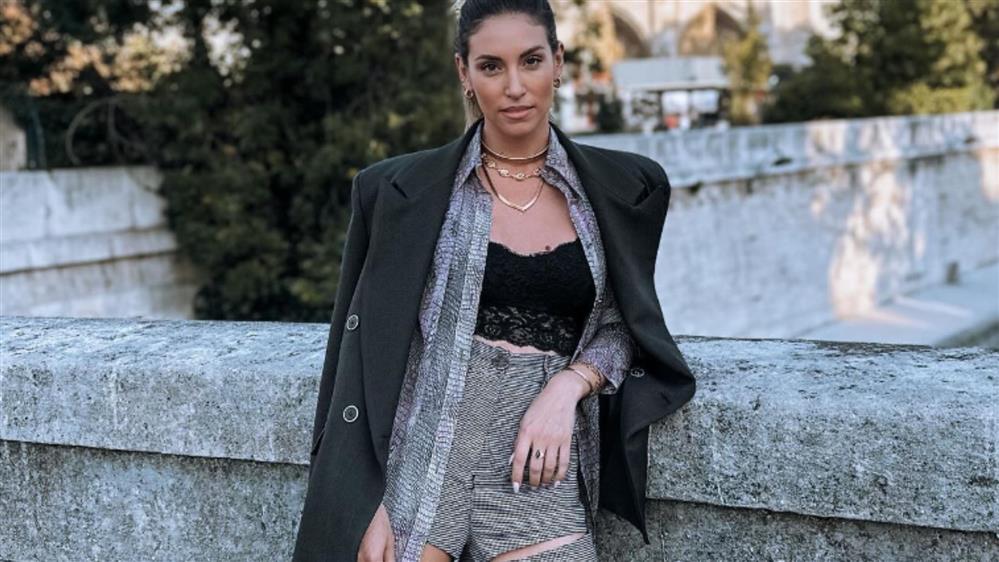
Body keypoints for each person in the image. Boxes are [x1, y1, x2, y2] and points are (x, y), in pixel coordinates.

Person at [292, 1, 697, 561]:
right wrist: (363, 498)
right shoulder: (398, 192)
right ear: (464, 72)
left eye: (531, 61)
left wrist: (569, 386)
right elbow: (359, 355)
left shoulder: (622, 188)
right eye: (491, 66)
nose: (514, 87)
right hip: (422, 459)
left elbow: (625, 324)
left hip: (536, 466)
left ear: (558, 61)